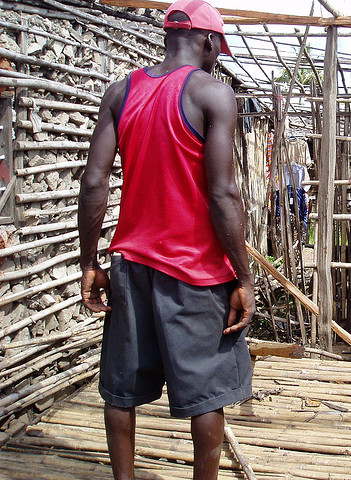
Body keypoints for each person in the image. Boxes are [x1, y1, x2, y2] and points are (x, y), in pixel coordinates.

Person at [78, 1, 254, 479]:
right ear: (209, 42)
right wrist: (243, 276)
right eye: (219, 49)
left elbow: (94, 183)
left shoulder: (121, 92)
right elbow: (223, 193)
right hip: (194, 271)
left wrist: (90, 262)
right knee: (207, 393)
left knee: (121, 389)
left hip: (130, 265)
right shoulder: (212, 94)